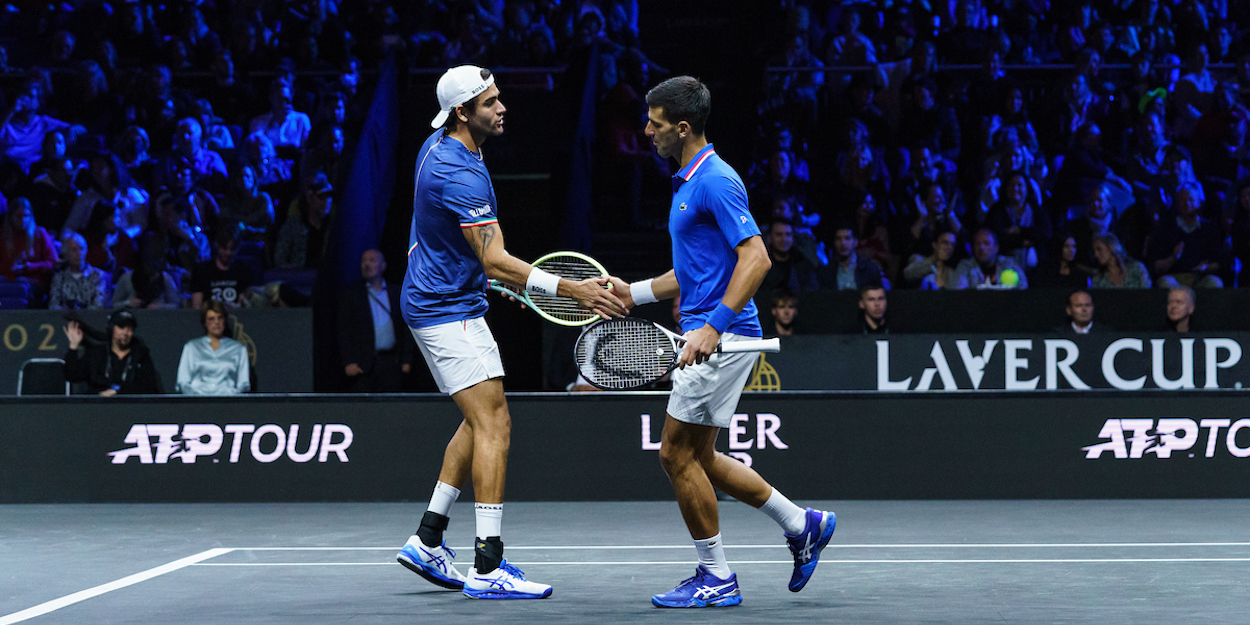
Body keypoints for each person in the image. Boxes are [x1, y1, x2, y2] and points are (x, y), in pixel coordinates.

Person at [395, 65, 625, 600]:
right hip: (443, 310)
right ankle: (486, 565)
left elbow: (452, 242)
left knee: (481, 421)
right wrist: (572, 289)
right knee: (496, 422)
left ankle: (428, 539)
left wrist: (479, 274)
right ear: (462, 112)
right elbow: (496, 258)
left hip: (448, 295)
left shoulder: (438, 144)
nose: (502, 109)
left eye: (499, 99)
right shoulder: (460, 172)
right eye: (491, 102)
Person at [610, 76, 835, 609]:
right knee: (700, 457)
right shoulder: (687, 182)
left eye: (656, 124)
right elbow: (693, 270)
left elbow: (756, 258)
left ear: (682, 128)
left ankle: (716, 576)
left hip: (721, 338)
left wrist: (713, 326)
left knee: (673, 454)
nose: (647, 131)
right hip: (713, 331)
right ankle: (802, 524)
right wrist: (633, 292)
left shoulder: (715, 180)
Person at [337, 249, 414, 392]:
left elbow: (406, 328)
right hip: (363, 364)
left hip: (392, 363)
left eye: (372, 260)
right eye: (364, 261)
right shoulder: (352, 295)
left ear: (383, 266)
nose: (367, 264)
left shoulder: (396, 293)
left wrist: (406, 360)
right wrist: (348, 361)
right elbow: (344, 331)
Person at [62, 309, 162, 395]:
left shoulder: (140, 355)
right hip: (99, 409)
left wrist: (118, 392)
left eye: (129, 329)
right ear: (112, 328)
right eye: (121, 327)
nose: (125, 333)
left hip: (131, 409)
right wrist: (73, 347)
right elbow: (72, 375)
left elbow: (150, 386)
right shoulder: (98, 353)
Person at [176, 300, 250, 395]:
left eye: (220, 318)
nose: (216, 322)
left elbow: (243, 384)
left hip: (228, 403)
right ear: (205, 322)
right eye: (211, 319)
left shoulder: (239, 349)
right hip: (198, 403)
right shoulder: (191, 347)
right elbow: (183, 382)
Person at [190, 226, 253, 309]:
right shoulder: (202, 270)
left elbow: (245, 304)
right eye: (225, 248)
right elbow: (196, 306)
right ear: (217, 245)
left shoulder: (243, 270)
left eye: (232, 249)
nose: (228, 253)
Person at [49, 232, 111, 309]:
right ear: (66, 254)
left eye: (81, 249)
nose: (78, 253)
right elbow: (53, 306)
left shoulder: (98, 276)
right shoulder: (60, 278)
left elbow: (99, 306)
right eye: (74, 250)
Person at [954, 229, 1028, 289]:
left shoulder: (1009, 264)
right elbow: (960, 293)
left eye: (986, 243)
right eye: (977, 244)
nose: (981, 248)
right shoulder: (965, 266)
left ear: (996, 248)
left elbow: (1023, 289)